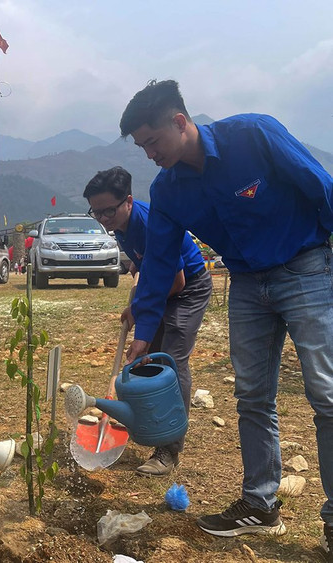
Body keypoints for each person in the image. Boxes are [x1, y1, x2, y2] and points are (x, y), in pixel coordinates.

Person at [120, 80, 333, 553]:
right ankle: (260, 504)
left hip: (305, 269)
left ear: (179, 122)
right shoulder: (168, 190)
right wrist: (144, 331)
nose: (150, 154)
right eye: (142, 147)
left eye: (153, 141)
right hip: (247, 286)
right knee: (252, 396)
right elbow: (158, 264)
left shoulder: (254, 136)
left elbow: (320, 186)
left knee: (327, 394)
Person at [83, 166, 212, 475]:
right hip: (161, 289)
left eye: (109, 211)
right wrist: (137, 298)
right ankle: (150, 426)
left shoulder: (150, 223)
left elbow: (176, 282)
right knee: (148, 361)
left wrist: (141, 308)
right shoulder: (121, 225)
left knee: (170, 363)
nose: (103, 219)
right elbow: (146, 266)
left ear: (128, 201)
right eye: (96, 213)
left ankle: (169, 449)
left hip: (188, 289)